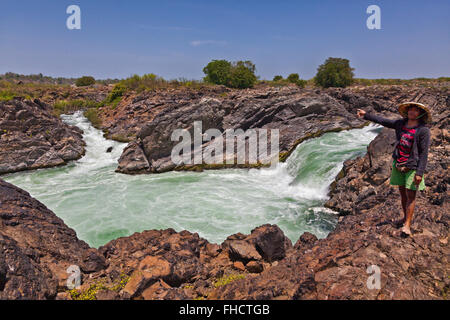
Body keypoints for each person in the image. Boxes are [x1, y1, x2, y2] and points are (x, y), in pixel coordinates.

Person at [356, 102, 432, 236]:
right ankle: (404, 218)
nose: (412, 112)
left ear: (420, 114)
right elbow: (383, 121)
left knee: (411, 196)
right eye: (410, 110)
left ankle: (407, 225)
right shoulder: (400, 124)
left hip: (412, 166)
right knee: (402, 194)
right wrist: (366, 115)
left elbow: (424, 153)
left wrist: (420, 172)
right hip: (399, 164)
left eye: (415, 111)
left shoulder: (423, 130)